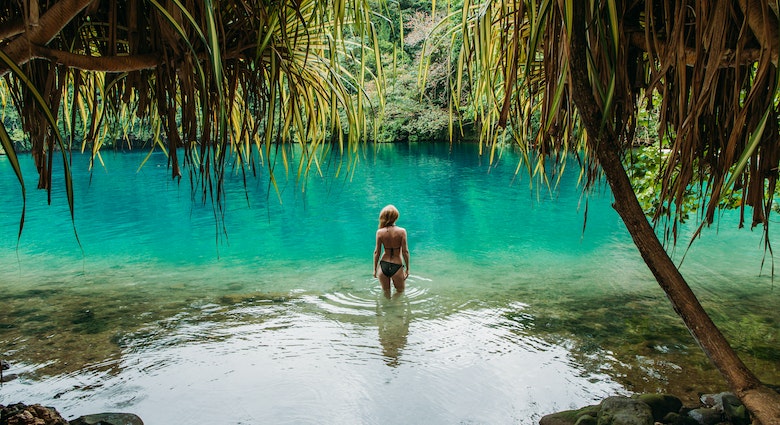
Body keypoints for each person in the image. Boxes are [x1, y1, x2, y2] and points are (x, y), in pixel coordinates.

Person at [372, 205, 410, 296]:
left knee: (386, 294)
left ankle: (387, 309)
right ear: (396, 217)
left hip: (383, 265)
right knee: (400, 293)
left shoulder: (380, 232)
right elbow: (405, 252)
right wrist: (407, 269)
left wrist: (374, 269)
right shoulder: (402, 231)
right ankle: (395, 308)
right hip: (397, 265)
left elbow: (377, 252)